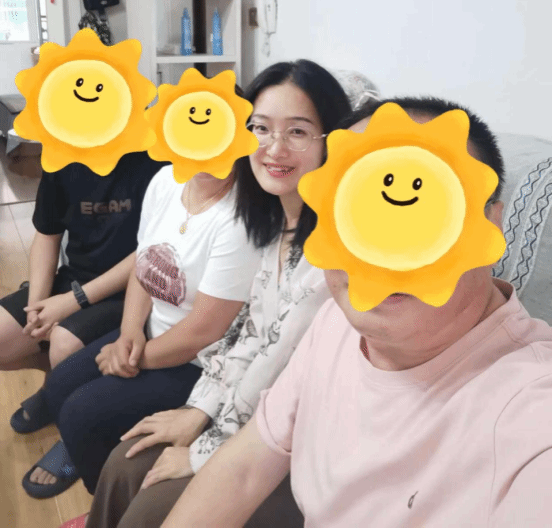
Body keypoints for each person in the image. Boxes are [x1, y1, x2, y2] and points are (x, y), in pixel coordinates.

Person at [160, 97, 552, 529]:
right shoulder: (335, 322)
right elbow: (244, 471)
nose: (385, 253)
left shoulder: (530, 413)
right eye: (358, 212)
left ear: (491, 224)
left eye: (428, 217)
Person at [80, 59, 352, 528]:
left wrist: (204, 445)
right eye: (260, 128)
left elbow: (276, 360)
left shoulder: (330, 250)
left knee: (145, 492)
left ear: (333, 140)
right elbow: (247, 332)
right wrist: (198, 408)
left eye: (298, 132)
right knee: (124, 463)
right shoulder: (272, 224)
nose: (274, 148)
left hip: (296, 436)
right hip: (238, 406)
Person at [21, 162, 262, 499]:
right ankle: (88, 459)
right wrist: (129, 331)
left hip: (199, 362)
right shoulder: (166, 180)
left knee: (81, 415)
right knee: (60, 383)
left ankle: (106, 498)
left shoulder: (241, 218)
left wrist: (133, 359)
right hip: (149, 333)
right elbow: (144, 262)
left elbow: (202, 333)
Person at [0, 152, 168, 433]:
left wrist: (74, 300)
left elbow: (152, 249)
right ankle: (57, 384)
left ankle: (56, 398)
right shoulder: (62, 156)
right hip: (75, 277)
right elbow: (47, 234)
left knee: (64, 343)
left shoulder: (157, 160)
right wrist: (36, 306)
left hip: (134, 288)